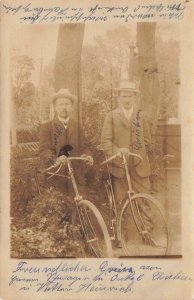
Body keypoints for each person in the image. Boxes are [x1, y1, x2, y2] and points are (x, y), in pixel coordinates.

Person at [101, 81, 152, 247]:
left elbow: (147, 140)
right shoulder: (111, 116)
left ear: (135, 97)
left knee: (144, 200)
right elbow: (105, 142)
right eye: (124, 96)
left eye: (130, 96)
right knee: (120, 201)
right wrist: (118, 150)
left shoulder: (141, 116)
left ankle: (148, 234)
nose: (127, 99)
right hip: (119, 166)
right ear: (118, 98)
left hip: (139, 165)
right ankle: (120, 237)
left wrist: (140, 153)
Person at [39, 88, 93, 193]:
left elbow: (85, 146)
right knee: (60, 207)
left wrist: (87, 155)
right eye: (60, 104)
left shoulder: (77, 126)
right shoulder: (47, 127)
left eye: (67, 104)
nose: (64, 108)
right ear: (55, 107)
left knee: (80, 206)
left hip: (77, 177)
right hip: (57, 176)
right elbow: (44, 151)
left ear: (71, 107)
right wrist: (56, 159)